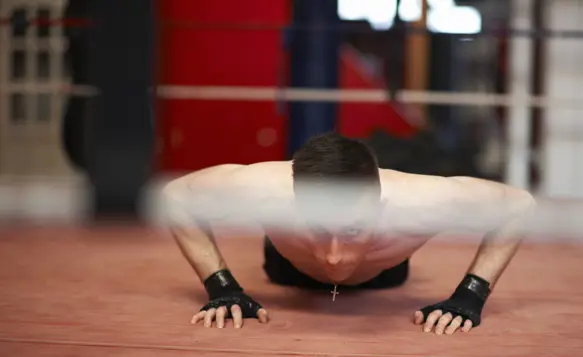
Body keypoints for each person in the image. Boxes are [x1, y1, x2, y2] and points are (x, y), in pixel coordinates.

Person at [163, 132, 535, 336]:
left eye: (353, 229)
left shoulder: (424, 201)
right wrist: (222, 287)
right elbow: (176, 195)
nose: (334, 256)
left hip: (384, 274)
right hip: (287, 265)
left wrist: (470, 295)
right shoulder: (263, 189)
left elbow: (518, 205)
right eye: (319, 227)